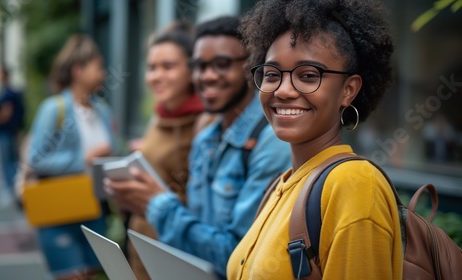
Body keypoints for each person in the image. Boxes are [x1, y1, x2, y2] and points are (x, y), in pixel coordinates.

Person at [227, 0, 403, 279]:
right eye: (272, 74)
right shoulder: (281, 184)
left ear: (348, 90)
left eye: (308, 75)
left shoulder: (355, 185)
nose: (283, 90)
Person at [105, 16, 291, 278]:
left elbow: (241, 258)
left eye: (222, 64)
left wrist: (157, 204)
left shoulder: (272, 142)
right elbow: (196, 233)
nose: (207, 76)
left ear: (251, 66)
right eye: (199, 66)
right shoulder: (205, 139)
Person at [124, 22, 211, 280]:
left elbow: (203, 202)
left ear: (192, 70)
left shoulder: (204, 122)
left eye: (168, 66)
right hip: (142, 242)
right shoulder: (160, 114)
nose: (156, 75)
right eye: (151, 68)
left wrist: (156, 197)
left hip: (175, 253)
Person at [27, 35, 118, 280]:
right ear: (78, 70)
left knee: (90, 274)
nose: (104, 74)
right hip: (60, 210)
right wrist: (84, 160)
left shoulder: (102, 109)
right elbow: (35, 160)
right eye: (98, 67)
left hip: (95, 210)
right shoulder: (54, 109)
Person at [0, 67, 24, 193]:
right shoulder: (9, 92)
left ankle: (12, 188)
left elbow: (6, 112)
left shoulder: (7, 93)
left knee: (7, 161)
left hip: (5, 131)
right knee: (12, 160)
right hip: (11, 130)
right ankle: (15, 187)